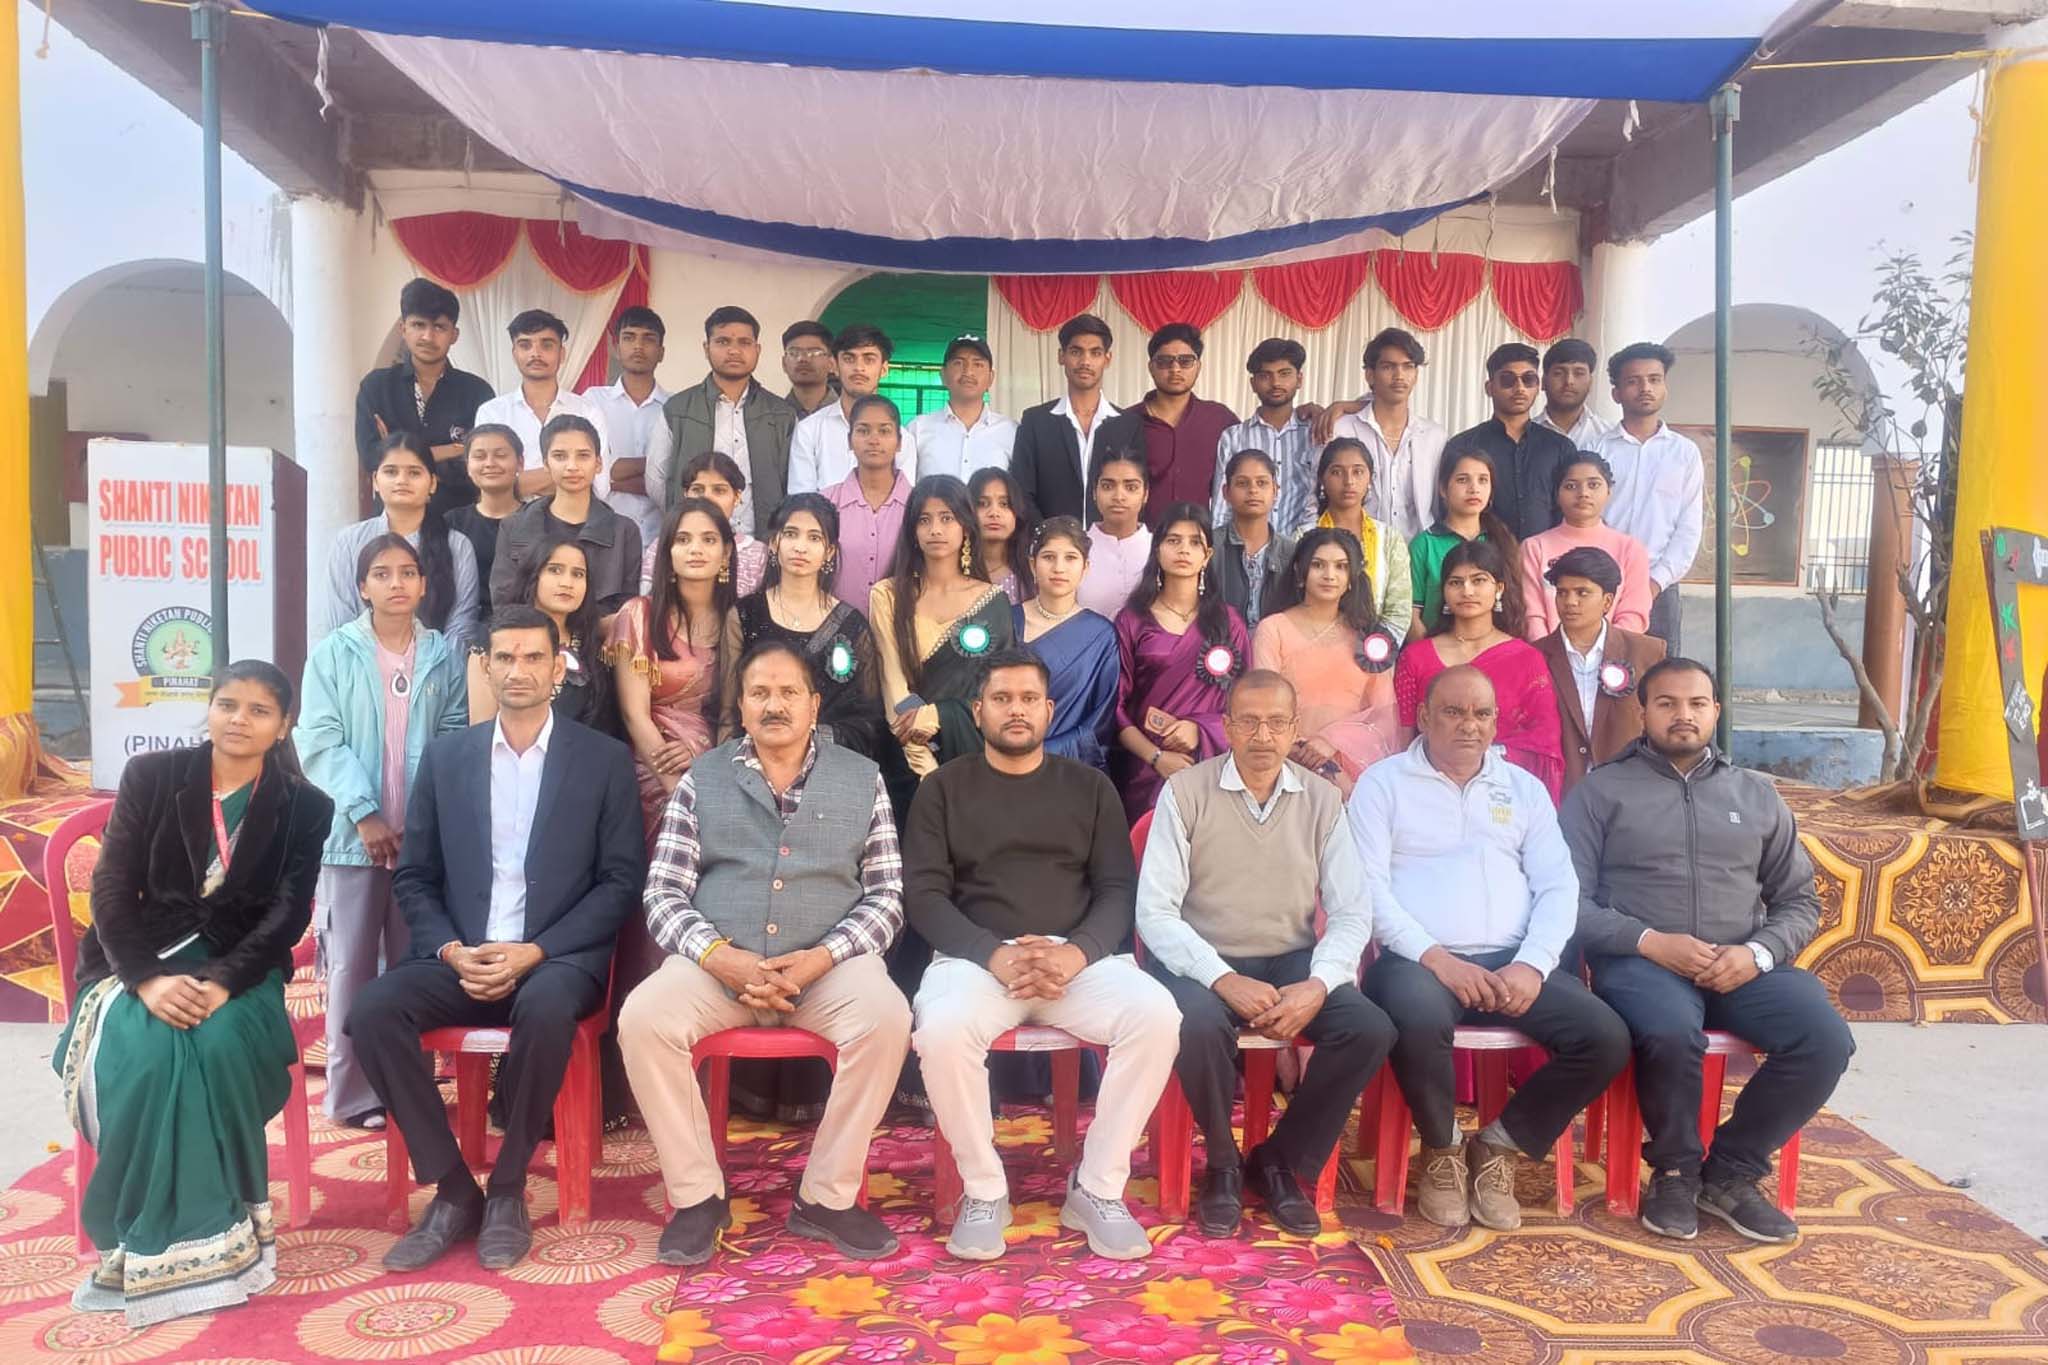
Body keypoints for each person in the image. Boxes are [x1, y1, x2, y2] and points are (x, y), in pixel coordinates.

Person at [352, 607, 644, 1273]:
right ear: (484, 666)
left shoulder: (602, 760)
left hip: (554, 959)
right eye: (504, 657)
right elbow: (415, 877)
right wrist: (452, 950)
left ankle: (508, 1186)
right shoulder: (447, 758)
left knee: (546, 1008)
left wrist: (535, 951)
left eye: (533, 657)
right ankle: (455, 1188)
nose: (518, 671)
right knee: (372, 1011)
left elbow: (621, 882)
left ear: (558, 666)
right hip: (461, 955)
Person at [54, 662, 331, 1325]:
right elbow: (110, 888)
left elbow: (286, 916)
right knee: (150, 1055)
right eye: (227, 704)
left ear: (283, 726)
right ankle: (148, 1241)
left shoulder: (306, 807)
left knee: (218, 1043)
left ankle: (224, 1234)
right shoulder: (153, 777)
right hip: (137, 961)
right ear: (208, 708)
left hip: (240, 970)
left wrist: (223, 983)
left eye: (259, 710)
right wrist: (147, 980)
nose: (239, 719)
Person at [620, 638, 911, 1265]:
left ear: (814, 704)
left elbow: (887, 897)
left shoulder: (861, 778)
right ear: (742, 705)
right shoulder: (703, 776)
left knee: (886, 1017)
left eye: (788, 693)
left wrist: (823, 957)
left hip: (827, 971)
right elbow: (664, 893)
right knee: (644, 1018)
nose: (774, 705)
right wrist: (719, 956)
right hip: (719, 970)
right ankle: (698, 1197)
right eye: (759, 693)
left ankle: (826, 1197)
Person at [904, 649, 1181, 1261]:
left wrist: (1076, 954)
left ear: (1049, 710)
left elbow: (1117, 891)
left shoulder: (1090, 788)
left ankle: (1097, 1187)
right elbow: (923, 896)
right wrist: (992, 954)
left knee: (1157, 1015)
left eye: (1029, 699)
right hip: (976, 964)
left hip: (1074, 963)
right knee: (942, 1029)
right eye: (1001, 699)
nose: (1016, 710)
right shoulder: (942, 789)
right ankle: (984, 1191)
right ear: (977, 711)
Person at [1564, 659, 1851, 1244]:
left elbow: (1799, 902)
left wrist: (1758, 953)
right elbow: (1567, 902)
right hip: (1643, 963)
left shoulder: (1756, 794)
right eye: (1667, 703)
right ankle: (1675, 1170)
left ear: (1716, 711)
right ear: (1642, 712)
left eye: (1697, 703)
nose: (1683, 715)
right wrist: (1649, 942)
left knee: (1824, 1038)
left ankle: (1731, 1171)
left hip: (1743, 965)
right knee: (1670, 1031)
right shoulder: (1600, 792)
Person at [1351, 665, 1630, 1231]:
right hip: (1418, 961)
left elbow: (1558, 886)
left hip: (1511, 961)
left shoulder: (1522, 789)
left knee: (1605, 1037)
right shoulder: (1383, 784)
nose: (1469, 725)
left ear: (1496, 721)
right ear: (1423, 717)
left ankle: (1500, 1145)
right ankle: (1442, 1149)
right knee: (1415, 1016)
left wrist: (1533, 964)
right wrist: (1437, 959)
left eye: (1481, 714)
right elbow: (1365, 888)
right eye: (1453, 712)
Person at [1136, 669, 1394, 1238]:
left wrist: (1319, 984)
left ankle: (1278, 1159)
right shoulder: (1185, 792)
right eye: (1249, 722)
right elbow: (1155, 913)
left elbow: (1352, 911)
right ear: (1227, 727)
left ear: (1295, 728)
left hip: (1289, 960)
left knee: (1369, 1029)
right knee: (1194, 1024)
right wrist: (1221, 977)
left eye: (1277, 723)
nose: (1263, 736)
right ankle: (1223, 1163)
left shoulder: (1322, 799)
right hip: (1200, 958)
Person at [302, 535, 468, 1127]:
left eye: (407, 572)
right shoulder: (333, 654)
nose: (396, 583)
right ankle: (351, 1096)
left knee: (411, 969)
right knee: (350, 967)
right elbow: (319, 741)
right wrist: (364, 813)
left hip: (418, 842)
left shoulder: (443, 655)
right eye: (381, 573)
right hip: (351, 841)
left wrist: (421, 823)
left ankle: (406, 1092)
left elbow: (451, 738)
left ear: (423, 584)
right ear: (362, 587)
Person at [869, 474, 1017, 781]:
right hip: (904, 761)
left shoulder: (992, 601)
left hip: (973, 760)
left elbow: (997, 689)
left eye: (947, 518)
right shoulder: (888, 595)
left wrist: (938, 715)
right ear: (913, 531)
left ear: (966, 527)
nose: (935, 529)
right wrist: (925, 769)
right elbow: (892, 683)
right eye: (924, 520)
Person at [1112, 504, 1251, 824]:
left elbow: (1246, 702)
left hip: (1212, 765)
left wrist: (1201, 730)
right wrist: (1156, 757)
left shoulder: (1228, 623)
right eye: (1173, 540)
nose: (1183, 550)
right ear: (1157, 550)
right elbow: (1115, 707)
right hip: (1145, 768)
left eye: (1194, 542)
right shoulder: (1132, 620)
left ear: (1207, 555)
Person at [609, 498, 740, 839]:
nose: (695, 549)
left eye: (708, 540)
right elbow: (634, 716)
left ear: (726, 553)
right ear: (667, 553)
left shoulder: (740, 622)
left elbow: (738, 713)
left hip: (719, 763)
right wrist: (681, 795)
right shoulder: (639, 614)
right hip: (652, 768)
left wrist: (700, 749)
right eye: (683, 539)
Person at [1395, 538, 1563, 802]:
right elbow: (1403, 737)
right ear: (1444, 591)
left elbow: (1544, 739)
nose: (1467, 590)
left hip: (1504, 793)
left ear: (1499, 588)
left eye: (1478, 580)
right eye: (1456, 582)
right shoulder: (1416, 657)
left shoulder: (1526, 658)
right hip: (1427, 790)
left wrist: (1486, 759)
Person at [735, 493, 889, 764]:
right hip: (755, 762)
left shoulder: (852, 624)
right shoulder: (745, 614)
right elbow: (729, 711)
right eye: (791, 534)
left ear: (830, 551)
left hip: (834, 766)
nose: (800, 547)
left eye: (814, 538)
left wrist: (809, 738)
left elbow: (869, 720)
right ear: (774, 543)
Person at [1254, 528, 1399, 795]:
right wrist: (1307, 754)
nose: (1329, 575)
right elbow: (1264, 703)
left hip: (1354, 769)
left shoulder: (1369, 638)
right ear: (1299, 572)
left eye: (1341, 567)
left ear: (1352, 577)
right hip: (1286, 762)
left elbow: (1383, 716)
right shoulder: (1273, 629)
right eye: (1318, 565)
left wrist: (1331, 743)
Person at [645, 306, 798, 537]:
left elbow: (792, 483)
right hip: (696, 541)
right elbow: (656, 480)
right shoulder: (677, 409)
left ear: (757, 350)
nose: (734, 350)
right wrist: (684, 518)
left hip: (763, 542)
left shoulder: (781, 414)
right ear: (706, 348)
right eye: (723, 342)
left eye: (744, 343)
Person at [324, 432, 482, 652]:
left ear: (432, 483)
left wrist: (429, 667)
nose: (401, 480)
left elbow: (461, 626)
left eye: (414, 473)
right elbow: (341, 624)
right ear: (375, 481)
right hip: (360, 667)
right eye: (391, 472)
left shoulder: (457, 545)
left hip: (438, 669)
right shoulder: (349, 543)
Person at [1592, 342, 1704, 653]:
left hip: (1659, 588)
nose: (1645, 388)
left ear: (1665, 387)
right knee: (1601, 669)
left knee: (1661, 672)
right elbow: (1585, 518)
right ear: (1616, 393)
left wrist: (1654, 583)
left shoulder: (1684, 453)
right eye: (1633, 381)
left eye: (1655, 379)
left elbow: (1688, 528)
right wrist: (1602, 578)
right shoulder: (1596, 450)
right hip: (1600, 584)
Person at [354, 278, 495, 513]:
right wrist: (454, 449)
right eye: (419, 325)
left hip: (458, 519)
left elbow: (479, 465)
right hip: (392, 522)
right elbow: (371, 457)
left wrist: (396, 450)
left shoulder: (477, 392)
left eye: (439, 327)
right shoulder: (377, 387)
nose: (428, 336)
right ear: (403, 329)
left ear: (454, 335)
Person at [1537, 547, 1666, 793]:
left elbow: (1659, 726)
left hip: (1630, 790)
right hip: (1557, 792)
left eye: (1582, 593)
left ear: (1607, 601)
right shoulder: (1534, 656)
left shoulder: (1647, 653)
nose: (1570, 602)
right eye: (1562, 593)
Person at [489, 415, 644, 619]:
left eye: (583, 456)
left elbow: (626, 610)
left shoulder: (624, 531)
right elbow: (504, 603)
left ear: (598, 463)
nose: (572, 466)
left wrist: (580, 630)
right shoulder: (514, 526)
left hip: (598, 638)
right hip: (528, 636)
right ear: (546, 464)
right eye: (560, 456)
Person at [469, 537, 620, 739]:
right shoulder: (494, 639)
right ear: (533, 575)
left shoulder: (593, 647)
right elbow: (482, 732)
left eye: (578, 574)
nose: (567, 583)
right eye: (555, 570)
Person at [1098, 323, 1238, 523]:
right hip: (1141, 537)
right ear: (1151, 367)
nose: (1175, 369)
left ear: (1198, 366)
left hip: (1198, 537)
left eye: (1185, 361)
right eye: (1164, 361)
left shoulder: (1220, 420)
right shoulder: (1125, 423)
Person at [1440, 342, 1577, 541]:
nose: (1519, 388)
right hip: (1482, 555)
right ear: (1489, 388)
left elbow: (1570, 509)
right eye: (1508, 380)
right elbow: (1448, 510)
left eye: (1528, 379)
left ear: (1538, 386)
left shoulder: (1560, 447)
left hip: (1548, 556)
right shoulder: (1464, 445)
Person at [1320, 328, 1447, 541]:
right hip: (1354, 549)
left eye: (1408, 366)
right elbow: (1315, 493)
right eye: (1388, 367)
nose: (1399, 376)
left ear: (1416, 375)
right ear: (1370, 375)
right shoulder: (1340, 429)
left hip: (1417, 552)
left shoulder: (1434, 437)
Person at [473, 309, 614, 499]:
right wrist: (571, 475)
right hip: (510, 518)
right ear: (514, 354)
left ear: (562, 354)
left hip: (574, 518)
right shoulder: (492, 413)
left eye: (547, 345)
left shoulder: (587, 412)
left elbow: (599, 485)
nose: (535, 353)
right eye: (525, 345)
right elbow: (490, 487)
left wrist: (520, 483)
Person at [1015, 517, 1119, 770]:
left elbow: (1101, 721)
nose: (1059, 568)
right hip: (1003, 762)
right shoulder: (1006, 620)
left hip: (1069, 770)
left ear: (1085, 568)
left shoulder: (1100, 635)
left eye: (1070, 558)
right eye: (1048, 557)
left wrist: (1042, 753)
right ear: (1032, 565)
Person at [1520, 454, 1654, 638]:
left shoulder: (1630, 549)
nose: (1583, 493)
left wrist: (1606, 651)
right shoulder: (1534, 548)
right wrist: (1550, 652)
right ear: (1557, 494)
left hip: (1615, 653)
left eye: (1593, 485)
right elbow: (1533, 615)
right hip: (1546, 652)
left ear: (1609, 491)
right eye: (1571, 486)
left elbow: (1633, 614)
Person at [1012, 313, 1121, 522]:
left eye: (1095, 353)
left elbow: (1134, 492)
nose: (1085, 361)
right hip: (1048, 540)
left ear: (1107, 359)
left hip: (1111, 540)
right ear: (1061, 356)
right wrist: (1049, 536)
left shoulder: (1127, 424)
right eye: (1076, 352)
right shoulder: (1035, 422)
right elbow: (1022, 493)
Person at [787, 325, 918, 493]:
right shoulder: (809, 430)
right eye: (849, 359)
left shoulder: (902, 439)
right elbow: (801, 499)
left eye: (869, 359)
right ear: (834, 365)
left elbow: (902, 501)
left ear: (884, 369)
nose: (858, 368)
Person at [1308, 437, 1411, 641]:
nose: (1349, 481)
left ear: (1370, 479)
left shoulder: (1389, 539)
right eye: (1337, 472)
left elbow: (1399, 612)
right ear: (1322, 479)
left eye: (1358, 472)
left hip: (1375, 650)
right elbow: (1296, 600)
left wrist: (1376, 649)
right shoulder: (1304, 537)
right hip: (1313, 643)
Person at [1212, 338, 1317, 534]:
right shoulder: (1234, 438)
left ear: (1299, 379)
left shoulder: (1315, 433)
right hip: (1245, 546)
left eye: (1284, 374)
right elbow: (1221, 506)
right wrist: (1220, 547)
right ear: (1253, 384)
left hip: (1306, 545)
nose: (1275, 383)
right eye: (1265, 376)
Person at [1409, 447, 1517, 638]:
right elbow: (1411, 614)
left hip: (1494, 650)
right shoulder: (1424, 545)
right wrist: (1432, 653)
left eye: (1483, 480)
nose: (1474, 488)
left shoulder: (1502, 542)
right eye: (1462, 480)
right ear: (1443, 489)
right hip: (1436, 650)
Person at [587, 306, 669, 543]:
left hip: (661, 537)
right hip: (604, 536)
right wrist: (656, 468)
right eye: (629, 337)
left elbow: (677, 477)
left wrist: (612, 477)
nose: (638, 346)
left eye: (648, 339)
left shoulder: (676, 407)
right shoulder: (592, 401)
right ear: (615, 348)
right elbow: (590, 469)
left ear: (661, 352)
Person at [641, 452, 768, 598]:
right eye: (698, 490)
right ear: (686, 494)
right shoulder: (663, 545)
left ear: (737, 497)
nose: (707, 498)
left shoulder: (757, 554)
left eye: (719, 490)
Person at [911, 333, 1018, 481]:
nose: (968, 372)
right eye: (958, 363)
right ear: (943, 375)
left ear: (991, 378)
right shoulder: (917, 429)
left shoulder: (1012, 431)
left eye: (978, 364)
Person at [1213, 448, 1297, 632]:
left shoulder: (1292, 553)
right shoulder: (1210, 548)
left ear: (1275, 491)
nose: (1253, 490)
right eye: (1242, 483)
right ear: (1226, 492)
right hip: (1219, 644)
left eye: (1262, 483)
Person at [445, 425, 524, 612]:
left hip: (524, 622)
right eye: (479, 456)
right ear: (468, 466)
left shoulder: (538, 519)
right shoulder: (452, 523)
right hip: (466, 621)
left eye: (501, 455)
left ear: (520, 463)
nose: (490, 463)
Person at [1076, 444, 1153, 618]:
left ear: (1146, 494)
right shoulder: (1075, 549)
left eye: (1131, 487)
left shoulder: (1159, 548)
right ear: (1094, 492)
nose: (1119, 496)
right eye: (1107, 486)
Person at [1534, 337, 1613, 451]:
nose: (1569, 381)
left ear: (1591, 382)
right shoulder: (1524, 435)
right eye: (1559, 373)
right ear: (1543, 381)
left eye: (1579, 373)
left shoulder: (1608, 436)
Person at [970, 466, 1036, 602]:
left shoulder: (1033, 574)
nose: (994, 513)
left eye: (1004, 504)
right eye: (982, 504)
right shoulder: (953, 571)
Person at [780, 319, 839, 417]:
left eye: (815, 352)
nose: (803, 359)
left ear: (831, 363)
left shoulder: (851, 415)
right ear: (784, 363)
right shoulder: (771, 416)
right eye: (794, 353)